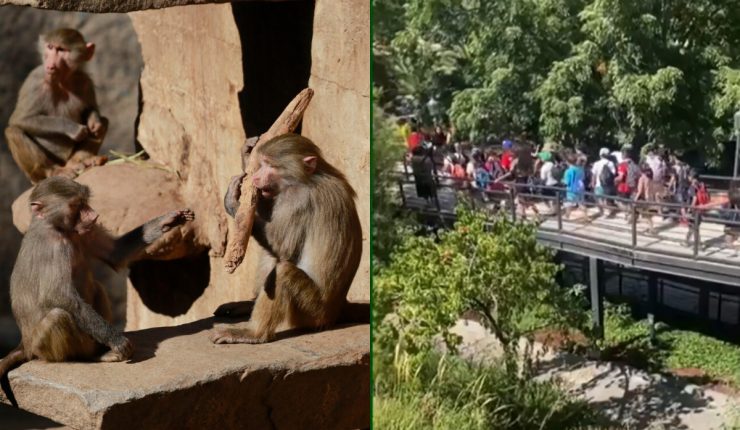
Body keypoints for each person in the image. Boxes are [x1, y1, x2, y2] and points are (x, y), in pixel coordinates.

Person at [684, 170, 711, 247]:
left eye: (689, 176)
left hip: (694, 210)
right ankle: (687, 241)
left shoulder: (693, 187)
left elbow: (694, 198)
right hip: (700, 209)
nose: (688, 177)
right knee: (693, 227)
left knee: (694, 227)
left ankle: (698, 244)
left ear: (692, 177)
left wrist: (690, 208)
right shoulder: (701, 185)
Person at [591, 147, 616, 217]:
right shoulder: (611, 163)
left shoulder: (596, 163)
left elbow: (594, 174)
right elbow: (613, 174)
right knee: (607, 200)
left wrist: (593, 182)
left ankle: (602, 212)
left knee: (598, 199)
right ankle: (610, 210)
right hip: (608, 185)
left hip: (598, 184)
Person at [616, 148, 640, 218]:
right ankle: (631, 214)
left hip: (623, 187)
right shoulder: (634, 164)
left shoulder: (622, 164)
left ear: (623, 156)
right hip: (633, 185)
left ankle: (629, 213)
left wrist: (614, 180)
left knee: (618, 201)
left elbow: (621, 177)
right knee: (630, 201)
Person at [563, 155, 587, 220]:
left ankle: (567, 216)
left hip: (571, 189)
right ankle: (585, 216)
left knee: (569, 203)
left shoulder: (568, 171)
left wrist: (562, 181)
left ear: (568, 162)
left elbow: (566, 182)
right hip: (580, 187)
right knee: (581, 202)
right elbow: (583, 178)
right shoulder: (581, 169)